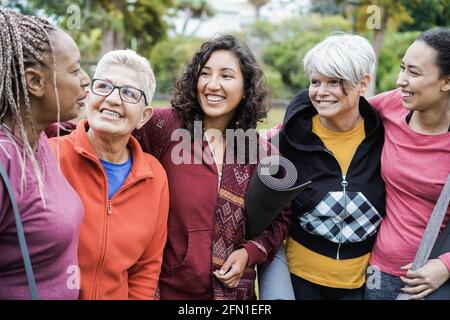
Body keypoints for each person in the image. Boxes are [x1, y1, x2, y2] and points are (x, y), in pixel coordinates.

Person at [134, 34, 290, 300]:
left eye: (227, 76)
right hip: (169, 290)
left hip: (233, 296)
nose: (212, 85)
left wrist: (248, 253)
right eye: (205, 74)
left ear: (246, 89)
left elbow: (282, 216)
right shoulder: (164, 127)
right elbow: (113, 140)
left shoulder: (258, 151)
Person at [258, 33, 386, 300]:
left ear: (363, 84)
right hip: (299, 281)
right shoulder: (285, 142)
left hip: (361, 284)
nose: (321, 91)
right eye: (315, 81)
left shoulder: (386, 138)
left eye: (335, 82)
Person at [47, 50, 169, 300]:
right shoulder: (49, 157)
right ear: (89, 95)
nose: (113, 99)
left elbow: (146, 268)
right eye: (103, 86)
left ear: (144, 116)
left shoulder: (154, 177)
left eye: (129, 93)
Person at [0, 8, 90, 299]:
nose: (86, 80)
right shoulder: (4, 161)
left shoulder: (37, 138)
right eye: (75, 70)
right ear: (35, 81)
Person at [365, 28, 450, 300]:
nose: (400, 80)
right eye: (402, 68)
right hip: (378, 272)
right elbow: (338, 114)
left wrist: (446, 264)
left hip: (432, 281)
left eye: (413, 73)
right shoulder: (391, 106)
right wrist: (258, 140)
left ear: (446, 82)